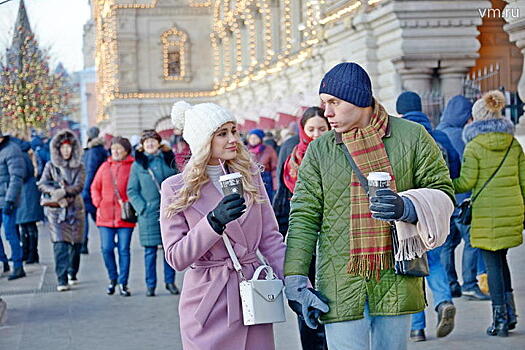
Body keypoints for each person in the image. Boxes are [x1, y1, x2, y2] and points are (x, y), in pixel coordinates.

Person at [284, 62, 455, 350]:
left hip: (396, 276)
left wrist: (406, 207)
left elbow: (443, 193)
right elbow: (303, 216)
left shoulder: (412, 136)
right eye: (324, 104)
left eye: (334, 102)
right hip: (339, 278)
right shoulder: (320, 149)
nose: (327, 112)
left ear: (358, 99)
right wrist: (296, 278)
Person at [160, 101, 286, 350]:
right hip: (208, 300)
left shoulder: (249, 175)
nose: (233, 139)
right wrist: (212, 222)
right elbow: (176, 257)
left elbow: (271, 239)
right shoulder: (175, 188)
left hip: (253, 296)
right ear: (203, 140)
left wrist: (297, 287)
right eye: (222, 133)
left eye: (233, 131)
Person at [453, 90, 525, 337]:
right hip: (512, 210)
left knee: (493, 264)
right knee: (501, 260)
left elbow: (466, 181)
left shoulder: (474, 146)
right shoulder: (513, 144)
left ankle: (500, 320)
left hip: (487, 214)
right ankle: (512, 314)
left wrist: (447, 182)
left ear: (477, 118)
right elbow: (524, 181)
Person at [396, 91, 458, 342]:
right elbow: (455, 166)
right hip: (436, 210)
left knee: (412, 266)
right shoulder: (439, 134)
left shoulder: (400, 135)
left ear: (400, 111)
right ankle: (443, 301)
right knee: (435, 261)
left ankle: (417, 328)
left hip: (409, 210)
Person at [274, 106, 330, 350]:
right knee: (306, 302)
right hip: (302, 240)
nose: (316, 134)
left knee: (331, 301)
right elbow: (281, 195)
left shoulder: (337, 151)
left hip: (331, 242)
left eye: (322, 128)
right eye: (311, 129)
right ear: (302, 130)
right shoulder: (291, 152)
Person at [437, 95, 489, 300]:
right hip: (464, 199)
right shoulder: (466, 136)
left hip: (445, 199)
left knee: (447, 244)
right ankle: (469, 283)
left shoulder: (438, 132)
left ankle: (451, 284)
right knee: (471, 242)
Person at [127, 129, 179, 297]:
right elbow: (132, 190)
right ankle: (151, 285)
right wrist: (142, 207)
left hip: (169, 212)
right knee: (149, 252)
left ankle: (170, 282)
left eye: (153, 141)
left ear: (158, 143)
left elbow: (179, 182)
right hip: (148, 214)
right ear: (142, 145)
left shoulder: (168, 159)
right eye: (146, 141)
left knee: (168, 250)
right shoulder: (138, 164)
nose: (150, 144)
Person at [38, 130, 86, 291]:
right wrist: (54, 192)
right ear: (57, 149)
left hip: (75, 210)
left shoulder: (79, 167)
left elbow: (79, 186)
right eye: (63, 148)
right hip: (57, 212)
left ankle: (73, 271)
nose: (66, 151)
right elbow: (42, 183)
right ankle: (62, 279)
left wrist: (65, 192)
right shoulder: (50, 166)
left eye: (69, 148)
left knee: (75, 245)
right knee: (59, 244)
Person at [91, 137, 135, 297]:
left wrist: (131, 203)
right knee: (106, 248)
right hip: (105, 216)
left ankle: (123, 283)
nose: (115, 152)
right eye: (113, 149)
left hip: (125, 216)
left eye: (119, 149)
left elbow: (135, 187)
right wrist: (98, 202)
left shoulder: (132, 167)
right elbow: (94, 187)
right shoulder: (104, 167)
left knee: (124, 250)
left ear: (126, 151)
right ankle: (113, 279)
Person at [0, 128, 26, 280]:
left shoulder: (11, 150)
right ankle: (3, 261)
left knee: (10, 233)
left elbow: (16, 177)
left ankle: (18, 266)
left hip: (8, 199)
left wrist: (10, 200)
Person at [13, 137, 44, 264]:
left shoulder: (20, 156)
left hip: (26, 194)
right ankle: (28, 252)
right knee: (26, 226)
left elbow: (23, 174)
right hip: (27, 193)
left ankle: (31, 253)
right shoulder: (24, 155)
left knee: (28, 226)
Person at [81, 126, 108, 255]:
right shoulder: (99, 149)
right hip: (97, 187)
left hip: (91, 187)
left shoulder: (92, 150)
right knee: (94, 215)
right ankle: (107, 237)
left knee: (87, 215)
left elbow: (90, 171)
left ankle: (84, 243)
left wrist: (86, 189)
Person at [247, 128, 278, 202]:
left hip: (266, 180)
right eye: (251, 138)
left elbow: (275, 168)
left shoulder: (269, 150)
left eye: (255, 137)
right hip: (251, 179)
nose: (253, 140)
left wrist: (276, 184)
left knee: (267, 201)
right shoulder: (245, 150)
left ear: (260, 139)